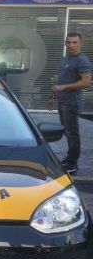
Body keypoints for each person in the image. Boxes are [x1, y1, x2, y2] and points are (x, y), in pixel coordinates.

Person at [49, 32, 92, 175]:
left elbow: (86, 82)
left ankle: (72, 164)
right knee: (67, 132)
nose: (71, 45)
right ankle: (69, 158)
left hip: (72, 103)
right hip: (62, 101)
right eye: (69, 42)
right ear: (65, 43)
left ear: (80, 44)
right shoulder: (66, 59)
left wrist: (63, 87)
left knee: (72, 133)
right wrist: (55, 93)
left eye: (75, 42)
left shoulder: (82, 61)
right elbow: (63, 79)